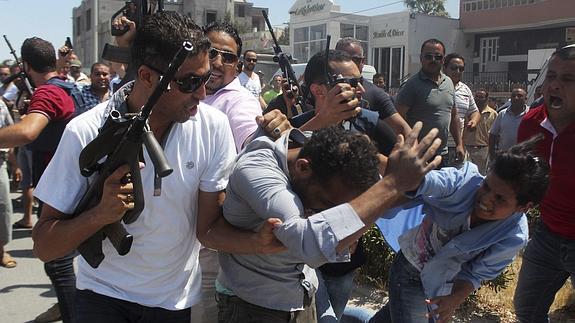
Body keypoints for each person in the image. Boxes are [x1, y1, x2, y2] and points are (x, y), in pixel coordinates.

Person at [32, 11, 285, 323]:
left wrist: (257, 243)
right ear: (147, 76)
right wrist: (99, 214)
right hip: (102, 297)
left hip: (174, 304)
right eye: (190, 82)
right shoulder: (85, 132)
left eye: (205, 79)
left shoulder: (213, 127)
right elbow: (45, 245)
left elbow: (207, 230)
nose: (202, 94)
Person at [217, 121, 442, 323]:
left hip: (301, 297)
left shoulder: (324, 157)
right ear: (303, 167)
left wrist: (396, 183)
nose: (328, 215)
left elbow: (374, 203)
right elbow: (305, 241)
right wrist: (391, 185)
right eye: (326, 203)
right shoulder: (257, 170)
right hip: (252, 308)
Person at [346, 137, 550, 323]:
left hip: (441, 282)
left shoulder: (514, 236)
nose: (486, 199)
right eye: (487, 186)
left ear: (524, 207)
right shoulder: (465, 181)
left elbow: (475, 274)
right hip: (410, 269)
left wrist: (453, 300)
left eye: (500, 198)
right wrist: (405, 173)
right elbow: (431, 182)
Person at [0, 36, 78, 323]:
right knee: (60, 261)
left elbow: (26, 133)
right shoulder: (64, 86)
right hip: (67, 184)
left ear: (26, 65)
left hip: (60, 189)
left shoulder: (48, 93)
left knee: (58, 263)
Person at [514, 45, 575, 323]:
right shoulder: (530, 124)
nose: (555, 86)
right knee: (526, 310)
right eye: (551, 76)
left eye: (567, 79)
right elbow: (524, 177)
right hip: (547, 236)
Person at [395, 39, 459, 167]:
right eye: (428, 56)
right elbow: (397, 118)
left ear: (443, 59)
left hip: (443, 155)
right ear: (421, 58)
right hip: (419, 155)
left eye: (438, 56)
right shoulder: (411, 85)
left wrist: (459, 144)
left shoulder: (449, 83)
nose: (433, 60)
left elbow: (453, 115)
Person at [202, 21, 264, 152]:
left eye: (228, 57)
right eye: (211, 53)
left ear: (237, 64)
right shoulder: (179, 91)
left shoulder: (240, 100)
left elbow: (252, 143)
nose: (218, 63)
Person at [336, 37, 410, 136]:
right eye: (344, 59)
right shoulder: (321, 90)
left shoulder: (375, 94)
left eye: (355, 60)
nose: (349, 64)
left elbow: (404, 131)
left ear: (363, 61)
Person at [442, 53, 480, 167]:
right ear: (445, 68)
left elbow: (475, 112)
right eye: (453, 68)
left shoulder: (465, 89)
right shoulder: (436, 87)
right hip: (439, 147)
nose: (457, 71)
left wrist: (473, 121)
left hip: (458, 146)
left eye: (461, 69)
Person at [0, 99, 19, 269]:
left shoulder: (0, 105)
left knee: (4, 207)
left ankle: (1, 250)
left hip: (0, 163)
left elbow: (11, 134)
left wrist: (15, 165)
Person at [463, 89, 498, 175]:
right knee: (465, 175)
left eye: (481, 97)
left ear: (486, 99)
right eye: (477, 97)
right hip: (467, 149)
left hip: (483, 149)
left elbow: (496, 133)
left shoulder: (493, 114)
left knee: (480, 175)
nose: (478, 99)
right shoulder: (467, 113)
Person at [488, 87, 528, 159]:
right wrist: (492, 153)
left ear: (525, 99)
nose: (516, 98)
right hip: (505, 157)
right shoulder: (502, 114)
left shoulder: (530, 114)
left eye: (519, 96)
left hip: (524, 157)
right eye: (513, 96)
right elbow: (493, 134)